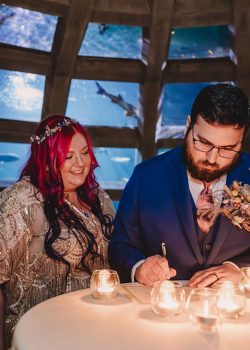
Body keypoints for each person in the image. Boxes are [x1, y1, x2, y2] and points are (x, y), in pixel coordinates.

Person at [109, 83, 250, 289]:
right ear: (187, 126)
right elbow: (120, 245)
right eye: (203, 142)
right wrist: (139, 267)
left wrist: (242, 271)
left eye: (228, 148)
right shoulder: (145, 176)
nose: (212, 158)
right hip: (161, 310)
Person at [0, 115, 115, 349]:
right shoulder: (21, 202)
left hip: (95, 330)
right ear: (46, 159)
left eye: (85, 153)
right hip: (39, 335)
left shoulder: (99, 198)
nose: (81, 163)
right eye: (69, 156)